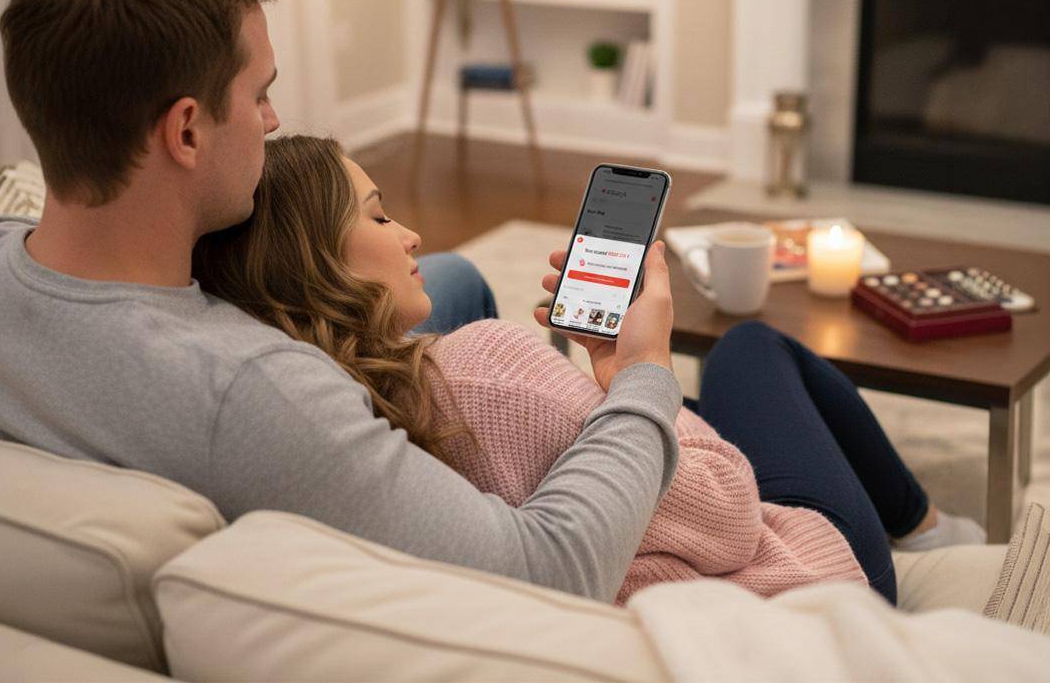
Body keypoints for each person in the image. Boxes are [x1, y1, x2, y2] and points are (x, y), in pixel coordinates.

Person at [0, 0, 680, 603]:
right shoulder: (257, 393)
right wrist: (640, 372)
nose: (273, 122)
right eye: (260, 94)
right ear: (186, 130)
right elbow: (548, 572)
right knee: (459, 303)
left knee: (447, 278)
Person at [194, 134, 986, 606]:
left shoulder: (304, 399)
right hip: (807, 583)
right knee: (752, 349)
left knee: (730, 378)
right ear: (317, 265)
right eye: (375, 214)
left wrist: (596, 384)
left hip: (680, 560)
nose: (409, 233)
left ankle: (925, 525)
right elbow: (730, 513)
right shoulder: (485, 370)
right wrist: (639, 371)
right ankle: (922, 530)